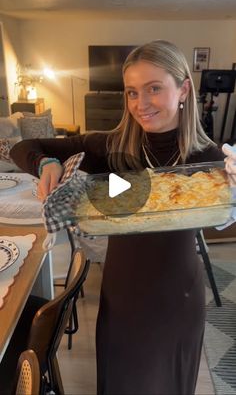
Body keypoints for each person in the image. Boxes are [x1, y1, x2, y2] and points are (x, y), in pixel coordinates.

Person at [10, 40, 236, 395]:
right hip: (123, 296)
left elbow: (227, 218)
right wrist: (46, 163)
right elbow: (20, 148)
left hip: (178, 297)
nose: (141, 104)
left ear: (183, 89)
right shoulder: (114, 149)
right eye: (132, 92)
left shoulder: (208, 159)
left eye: (154, 89)